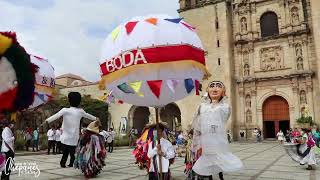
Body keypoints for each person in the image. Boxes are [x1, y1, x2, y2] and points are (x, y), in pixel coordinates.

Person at [191, 81, 243, 180]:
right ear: (207, 91)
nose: (215, 89)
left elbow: (224, 117)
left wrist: (214, 106)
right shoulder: (202, 107)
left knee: (219, 161)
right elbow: (196, 123)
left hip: (219, 140)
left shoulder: (226, 107)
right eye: (212, 86)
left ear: (223, 92)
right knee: (209, 162)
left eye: (218, 87)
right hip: (207, 141)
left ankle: (221, 177)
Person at [44, 92, 97, 168]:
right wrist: (96, 118)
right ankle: (72, 163)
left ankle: (63, 163)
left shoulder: (65, 110)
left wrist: (47, 120)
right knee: (72, 153)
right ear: (79, 101)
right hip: (74, 137)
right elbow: (88, 116)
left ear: (69, 100)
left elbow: (55, 116)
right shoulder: (80, 111)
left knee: (65, 152)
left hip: (65, 137)